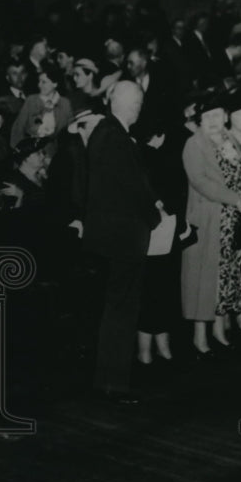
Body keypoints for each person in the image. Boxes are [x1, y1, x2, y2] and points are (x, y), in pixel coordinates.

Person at [83, 81, 162, 403]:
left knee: (115, 309)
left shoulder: (104, 133)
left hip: (110, 235)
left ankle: (110, 379)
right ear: (131, 105)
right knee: (122, 310)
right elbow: (133, 188)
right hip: (124, 237)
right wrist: (155, 214)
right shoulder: (116, 138)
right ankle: (114, 384)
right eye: (138, 102)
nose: (139, 108)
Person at [181, 96, 241, 354]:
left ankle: (219, 329)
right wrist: (236, 199)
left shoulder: (230, 140)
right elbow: (201, 181)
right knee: (204, 281)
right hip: (209, 220)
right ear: (200, 121)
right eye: (208, 117)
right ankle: (199, 337)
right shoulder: (194, 145)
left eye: (218, 115)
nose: (214, 121)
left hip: (234, 219)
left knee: (227, 277)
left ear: (225, 117)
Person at [10, 61, 72, 150]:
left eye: (44, 82)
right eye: (39, 81)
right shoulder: (31, 101)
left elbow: (69, 132)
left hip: (56, 154)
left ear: (55, 84)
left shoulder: (65, 103)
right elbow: (18, 129)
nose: (39, 85)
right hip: (32, 152)